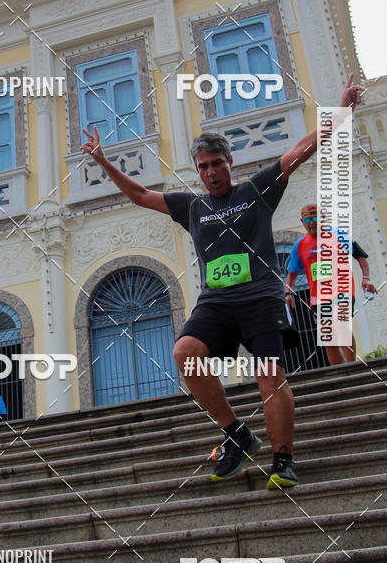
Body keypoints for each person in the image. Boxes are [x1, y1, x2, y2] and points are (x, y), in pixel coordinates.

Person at [81, 73, 365, 490]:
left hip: (261, 299)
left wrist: (340, 111)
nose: (211, 172)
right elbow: (140, 196)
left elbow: (299, 151)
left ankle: (282, 460)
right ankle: (237, 433)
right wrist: (104, 162)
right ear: (198, 171)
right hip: (216, 303)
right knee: (185, 353)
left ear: (229, 163)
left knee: (269, 375)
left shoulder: (257, 190)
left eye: (217, 163)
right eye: (204, 166)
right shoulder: (191, 207)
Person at [284, 204, 378, 365]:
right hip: (319, 295)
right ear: (302, 221)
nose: (312, 223)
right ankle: (340, 371)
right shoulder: (299, 245)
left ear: (323, 218)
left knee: (341, 324)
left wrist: (366, 278)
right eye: (308, 219)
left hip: (342, 288)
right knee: (327, 334)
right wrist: (288, 293)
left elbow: (360, 256)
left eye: (315, 218)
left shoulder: (339, 235)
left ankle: (352, 366)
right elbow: (291, 275)